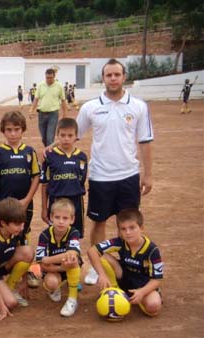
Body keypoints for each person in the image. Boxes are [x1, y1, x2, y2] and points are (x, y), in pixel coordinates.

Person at [76, 58, 153, 285]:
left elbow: (146, 141)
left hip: (129, 176)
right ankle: (97, 266)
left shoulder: (138, 106)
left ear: (124, 77)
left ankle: (126, 265)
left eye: (116, 75)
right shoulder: (90, 107)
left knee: (127, 225)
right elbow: (73, 134)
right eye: (108, 75)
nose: (112, 79)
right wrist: (53, 149)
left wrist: (148, 174)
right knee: (98, 223)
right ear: (103, 78)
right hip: (100, 176)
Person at [0, 111, 41, 287]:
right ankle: (1, 269)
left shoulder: (29, 152)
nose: (13, 133)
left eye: (16, 129)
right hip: (3, 206)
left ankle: (25, 271)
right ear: (3, 131)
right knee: (4, 235)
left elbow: (36, 176)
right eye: (9, 130)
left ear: (23, 130)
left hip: (24, 205)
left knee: (23, 234)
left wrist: (27, 199)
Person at [87, 208, 163, 317]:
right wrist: (102, 275)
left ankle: (140, 296)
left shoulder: (152, 250)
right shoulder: (120, 242)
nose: (128, 233)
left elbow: (157, 279)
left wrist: (142, 292)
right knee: (101, 255)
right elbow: (92, 251)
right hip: (123, 277)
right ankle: (113, 289)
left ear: (141, 228)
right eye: (123, 229)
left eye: (132, 228)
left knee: (153, 307)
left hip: (142, 285)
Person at [41, 118, 87, 238]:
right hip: (56, 200)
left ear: (76, 136)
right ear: (57, 135)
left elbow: (81, 180)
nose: (66, 138)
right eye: (63, 135)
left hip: (76, 201)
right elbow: (45, 184)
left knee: (75, 234)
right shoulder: (49, 156)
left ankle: (74, 255)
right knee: (56, 234)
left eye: (70, 135)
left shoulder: (82, 157)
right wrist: (44, 208)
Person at [36, 198, 82, 317]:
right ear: (51, 217)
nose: (61, 221)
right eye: (57, 217)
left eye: (65, 218)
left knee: (73, 259)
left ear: (72, 219)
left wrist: (49, 259)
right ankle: (58, 286)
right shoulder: (44, 235)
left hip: (68, 265)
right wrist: (61, 268)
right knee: (51, 283)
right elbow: (41, 263)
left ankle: (72, 299)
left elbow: (72, 254)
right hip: (55, 269)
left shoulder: (74, 232)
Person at [30, 68, 68, 146]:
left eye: (50, 78)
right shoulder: (41, 86)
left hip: (53, 114)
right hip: (41, 114)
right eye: (47, 78)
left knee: (50, 138)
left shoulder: (59, 86)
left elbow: (63, 101)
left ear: (54, 77)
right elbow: (36, 99)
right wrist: (31, 110)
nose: (49, 79)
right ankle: (49, 150)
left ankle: (49, 156)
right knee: (44, 138)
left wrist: (65, 114)